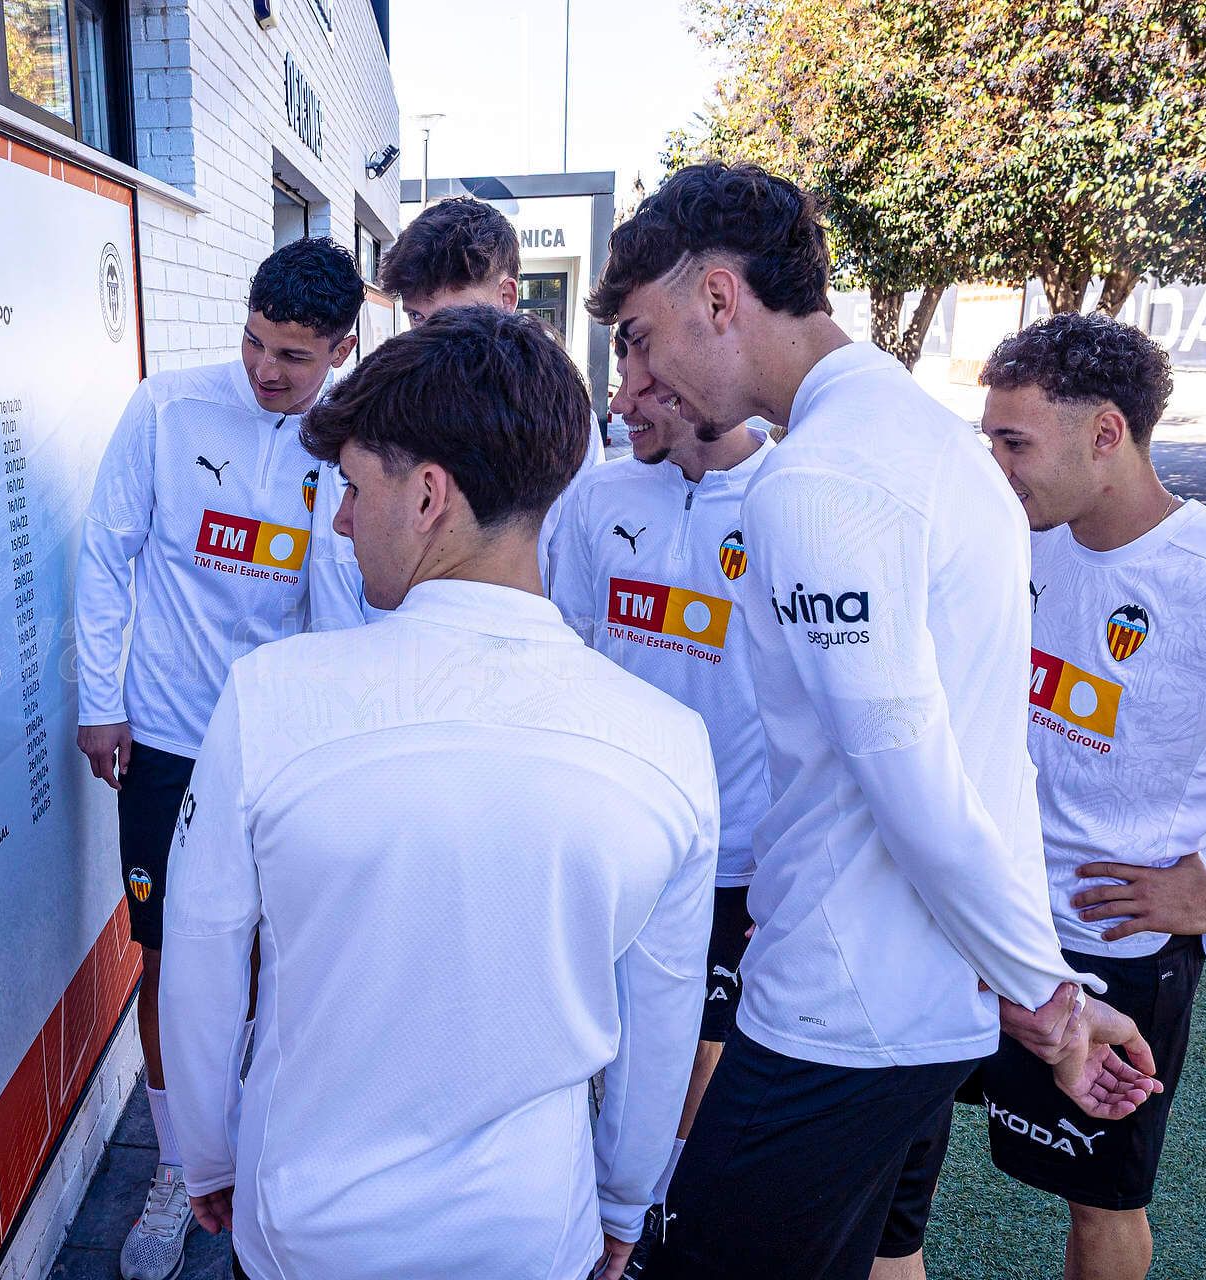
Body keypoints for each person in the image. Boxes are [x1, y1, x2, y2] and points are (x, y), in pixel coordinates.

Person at [592, 163, 1161, 1280]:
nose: (638, 379)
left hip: (841, 1012)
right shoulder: (927, 438)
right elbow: (968, 763)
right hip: (904, 997)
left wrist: (1044, 1000)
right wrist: (1024, 980)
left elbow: (917, 777)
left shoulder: (819, 482)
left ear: (719, 297)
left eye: (646, 336)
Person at [157, 306, 720, 1280]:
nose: (338, 518)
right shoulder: (668, 742)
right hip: (531, 1229)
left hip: (306, 1226)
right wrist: (627, 1195)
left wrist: (204, 1152)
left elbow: (203, 961)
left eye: (350, 486)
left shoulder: (271, 697)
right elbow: (660, 1017)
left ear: (427, 496)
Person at [72, 237, 362, 1280]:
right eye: (252, 341)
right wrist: (100, 702)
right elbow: (107, 552)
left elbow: (344, 607)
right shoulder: (165, 408)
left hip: (284, 749)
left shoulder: (350, 442)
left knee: (276, 963)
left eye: (292, 353)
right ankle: (175, 1164)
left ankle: (262, 1154)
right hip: (165, 738)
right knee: (168, 957)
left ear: (341, 346)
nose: (265, 369)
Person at [974, 312, 1206, 1280]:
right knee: (899, 1152)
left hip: (1120, 951)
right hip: (990, 920)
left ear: (1106, 434)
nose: (998, 464)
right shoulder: (1023, 539)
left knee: (1102, 1203)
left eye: (1015, 441)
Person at [547, 333, 775, 1241]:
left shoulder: (788, 500)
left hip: (737, 847)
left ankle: (654, 1217)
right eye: (621, 381)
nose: (625, 403)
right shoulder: (597, 492)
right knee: (588, 1026)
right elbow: (563, 650)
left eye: (649, 386)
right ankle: (592, 1200)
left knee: (691, 1043)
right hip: (605, 827)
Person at [309, 196, 604, 627]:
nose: (430, 338)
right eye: (415, 317)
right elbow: (335, 557)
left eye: (448, 316)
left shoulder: (557, 412)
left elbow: (574, 568)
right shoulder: (385, 403)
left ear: (506, 297)